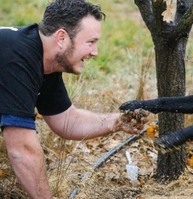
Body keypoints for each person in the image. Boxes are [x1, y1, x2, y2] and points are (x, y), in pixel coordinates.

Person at [0, 0, 148, 198]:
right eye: (90, 42)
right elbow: (22, 149)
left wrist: (117, 121)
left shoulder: (43, 59)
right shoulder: (17, 58)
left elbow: (67, 121)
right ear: (61, 37)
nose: (95, 52)